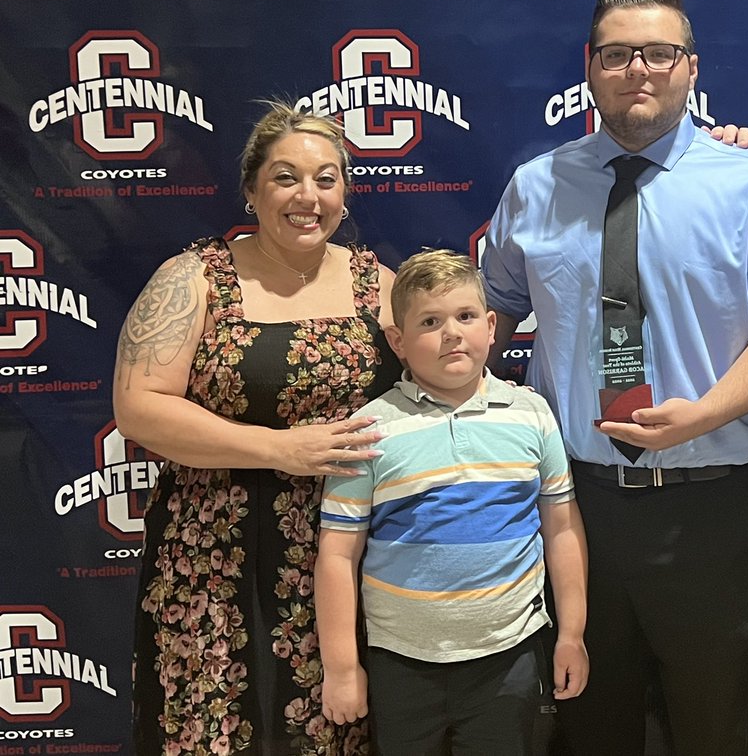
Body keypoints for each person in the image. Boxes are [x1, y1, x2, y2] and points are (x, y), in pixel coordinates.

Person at [482, 0, 748, 756]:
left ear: (691, 67)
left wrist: (704, 414)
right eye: (617, 54)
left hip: (708, 509)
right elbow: (489, 313)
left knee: (715, 731)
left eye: (659, 52)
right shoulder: (536, 188)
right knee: (589, 728)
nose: (639, 69)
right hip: (574, 511)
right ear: (590, 67)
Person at [114, 101, 401, 755]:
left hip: (342, 553)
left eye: (327, 179)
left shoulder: (376, 283)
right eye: (286, 177)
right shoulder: (196, 280)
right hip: (212, 556)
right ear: (251, 190)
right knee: (212, 727)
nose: (309, 197)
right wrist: (279, 448)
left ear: (345, 195)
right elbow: (138, 406)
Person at [314, 249, 588, 755]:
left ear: (490, 325)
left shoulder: (531, 414)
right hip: (401, 662)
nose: (451, 333)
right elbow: (336, 554)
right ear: (397, 341)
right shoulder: (367, 430)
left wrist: (571, 633)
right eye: (429, 321)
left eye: (465, 317)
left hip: (509, 656)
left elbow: (562, 528)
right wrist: (342, 666)